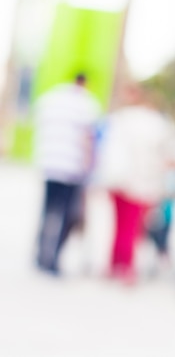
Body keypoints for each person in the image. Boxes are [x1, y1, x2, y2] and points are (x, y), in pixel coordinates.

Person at [95, 84, 175, 284]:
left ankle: (115, 263)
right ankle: (127, 267)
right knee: (131, 228)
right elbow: (163, 155)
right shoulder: (156, 124)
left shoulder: (119, 119)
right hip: (140, 183)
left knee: (119, 225)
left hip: (117, 180)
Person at [33, 73, 100, 275]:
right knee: (66, 215)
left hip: (49, 163)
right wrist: (90, 166)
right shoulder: (86, 104)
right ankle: (53, 258)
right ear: (84, 83)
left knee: (48, 211)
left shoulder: (51, 99)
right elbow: (88, 138)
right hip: (72, 167)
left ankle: (40, 254)